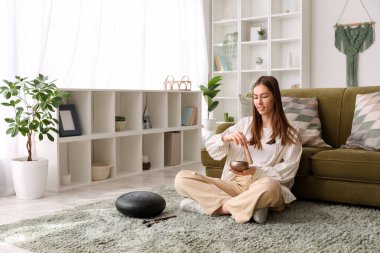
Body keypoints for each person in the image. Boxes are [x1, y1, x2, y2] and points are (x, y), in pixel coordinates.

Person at [174, 76, 302, 224]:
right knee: (181, 178)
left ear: (275, 98)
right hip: (235, 184)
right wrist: (225, 138)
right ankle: (251, 206)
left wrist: (256, 171)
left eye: (264, 96)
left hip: (261, 184)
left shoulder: (291, 131)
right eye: (255, 97)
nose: (259, 102)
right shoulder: (244, 124)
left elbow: (289, 170)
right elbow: (211, 148)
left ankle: (214, 207)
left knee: (271, 187)